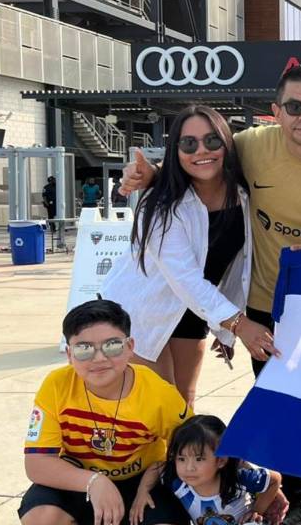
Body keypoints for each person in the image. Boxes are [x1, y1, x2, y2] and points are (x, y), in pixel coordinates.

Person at [120, 64, 301, 525]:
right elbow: (198, 161)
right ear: (276, 112)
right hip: (263, 309)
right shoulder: (249, 145)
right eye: (294, 106)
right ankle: (297, 505)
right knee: (284, 411)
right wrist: (154, 176)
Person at [17, 299, 193, 525]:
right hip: (81, 481)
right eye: (84, 348)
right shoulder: (56, 385)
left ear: (129, 347)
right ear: (69, 353)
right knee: (39, 518)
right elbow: (37, 464)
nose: (98, 358)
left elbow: (192, 449)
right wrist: (93, 481)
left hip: (142, 483)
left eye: (111, 346)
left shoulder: (158, 392)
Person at [101, 104, 275, 407]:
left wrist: (224, 329)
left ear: (226, 145)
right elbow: (185, 278)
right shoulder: (162, 206)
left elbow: (236, 268)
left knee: (182, 408)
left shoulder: (243, 195)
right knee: (156, 407)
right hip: (144, 312)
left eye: (212, 141)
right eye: (188, 143)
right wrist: (238, 324)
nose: (201, 151)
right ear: (175, 151)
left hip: (193, 315)